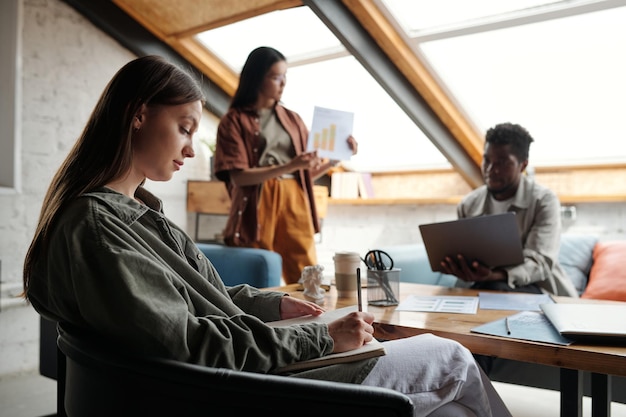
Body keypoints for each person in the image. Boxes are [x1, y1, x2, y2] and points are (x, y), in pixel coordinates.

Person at [22, 55, 510, 417]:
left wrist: (274, 307)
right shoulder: (100, 229)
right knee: (452, 356)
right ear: (138, 114)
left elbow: (196, 298)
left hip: (241, 366)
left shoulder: (130, 215)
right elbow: (193, 343)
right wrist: (318, 338)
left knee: (452, 412)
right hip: (243, 385)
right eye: (185, 128)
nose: (193, 151)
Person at [213, 46, 357, 284]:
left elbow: (304, 174)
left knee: (307, 273)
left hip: (296, 197)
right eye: (276, 77)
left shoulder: (293, 119)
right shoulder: (234, 120)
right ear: (257, 77)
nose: (283, 83)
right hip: (258, 199)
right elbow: (239, 177)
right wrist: (289, 166)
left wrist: (334, 158)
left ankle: (314, 319)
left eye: (285, 76)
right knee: (258, 269)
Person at [441, 122, 578, 297]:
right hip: (480, 286)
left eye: (503, 162)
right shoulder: (468, 204)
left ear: (523, 165)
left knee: (494, 288)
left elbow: (539, 263)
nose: (491, 169)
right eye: (487, 160)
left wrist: (494, 275)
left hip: (537, 289)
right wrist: (458, 266)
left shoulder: (543, 201)